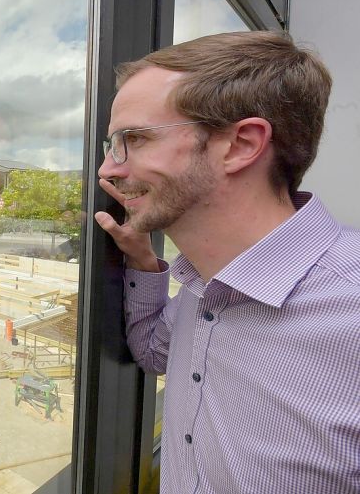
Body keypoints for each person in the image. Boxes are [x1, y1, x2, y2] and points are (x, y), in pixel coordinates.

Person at [94, 31, 359, 493]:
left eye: (133, 139)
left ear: (240, 145)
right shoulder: (206, 284)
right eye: (112, 145)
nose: (108, 171)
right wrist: (142, 264)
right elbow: (157, 350)